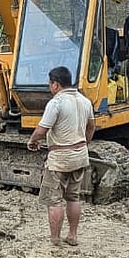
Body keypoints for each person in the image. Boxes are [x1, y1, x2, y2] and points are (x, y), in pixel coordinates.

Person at [26, 66, 95, 247]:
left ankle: (55, 239)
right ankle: (72, 236)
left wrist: (32, 140)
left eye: (50, 84)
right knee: (73, 197)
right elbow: (91, 127)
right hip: (80, 156)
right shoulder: (85, 101)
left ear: (55, 84)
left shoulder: (56, 103)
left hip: (60, 159)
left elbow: (42, 129)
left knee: (54, 200)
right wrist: (84, 145)